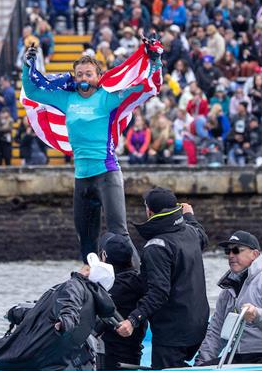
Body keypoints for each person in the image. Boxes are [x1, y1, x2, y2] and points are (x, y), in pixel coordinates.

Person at [22, 43, 161, 263]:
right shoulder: (67, 99)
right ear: (74, 78)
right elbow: (32, 91)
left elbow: (146, 87)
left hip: (107, 175)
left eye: (88, 73)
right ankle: (92, 283)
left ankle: (138, 277)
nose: (83, 77)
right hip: (82, 179)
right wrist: (26, 64)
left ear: (98, 76)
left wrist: (154, 60)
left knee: (119, 235)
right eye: (79, 74)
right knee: (86, 240)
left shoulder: (107, 99)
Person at [0, 254, 118, 371]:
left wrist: (65, 323)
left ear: (87, 274)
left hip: (31, 354)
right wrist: (17, 313)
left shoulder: (75, 285)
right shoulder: (93, 303)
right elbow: (44, 313)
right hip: (55, 358)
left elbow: (69, 306)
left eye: (87, 267)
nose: (83, 267)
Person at [116, 188, 209, 370]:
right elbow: (202, 237)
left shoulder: (157, 246)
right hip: (197, 326)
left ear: (149, 211)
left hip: (173, 333)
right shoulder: (191, 232)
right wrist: (189, 216)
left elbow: (159, 293)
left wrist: (133, 320)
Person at [196, 231, 262, 366]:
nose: (231, 255)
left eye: (236, 250)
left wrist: (257, 314)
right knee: (204, 365)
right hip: (242, 356)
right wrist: (200, 366)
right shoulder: (226, 294)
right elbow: (216, 334)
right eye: (228, 251)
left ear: (255, 254)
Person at [96, 233, 147, 370]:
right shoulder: (139, 282)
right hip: (134, 356)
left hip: (110, 360)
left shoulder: (108, 289)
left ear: (105, 257)